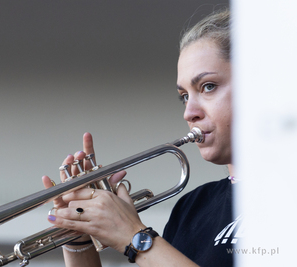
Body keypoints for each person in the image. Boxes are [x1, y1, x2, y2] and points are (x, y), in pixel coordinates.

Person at [43, 8, 240, 267]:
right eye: (184, 96)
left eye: (208, 87)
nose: (189, 113)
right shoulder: (191, 209)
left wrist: (134, 237)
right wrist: (79, 238)